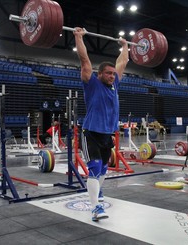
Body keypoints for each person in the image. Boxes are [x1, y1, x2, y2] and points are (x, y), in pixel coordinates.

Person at [74, 27, 128, 221]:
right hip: (91, 134)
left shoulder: (115, 85)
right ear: (99, 74)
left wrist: (125, 46)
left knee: (104, 169)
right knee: (95, 168)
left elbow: (122, 61)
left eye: (113, 74)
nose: (112, 76)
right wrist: (79, 37)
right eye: (108, 73)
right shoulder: (92, 83)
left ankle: (98, 192)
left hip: (107, 135)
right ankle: (95, 207)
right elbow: (84, 60)